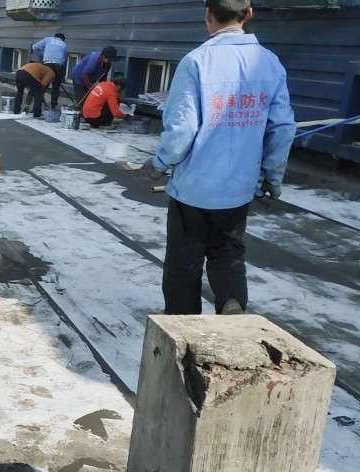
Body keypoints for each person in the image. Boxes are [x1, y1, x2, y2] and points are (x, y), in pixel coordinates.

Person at [142, 0, 295, 315]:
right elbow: (282, 128)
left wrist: (159, 163)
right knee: (228, 251)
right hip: (238, 187)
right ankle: (231, 302)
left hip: (193, 189)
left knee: (184, 262)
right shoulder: (270, 63)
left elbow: (183, 128)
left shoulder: (196, 62)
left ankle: (183, 326)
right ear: (249, 14)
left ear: (208, 15)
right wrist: (272, 176)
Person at [31, 33, 68, 110]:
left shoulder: (48, 39)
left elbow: (34, 47)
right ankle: (53, 107)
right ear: (62, 39)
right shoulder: (64, 44)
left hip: (48, 64)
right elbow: (64, 58)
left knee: (43, 85)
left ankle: (36, 108)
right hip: (59, 65)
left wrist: (40, 56)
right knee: (56, 87)